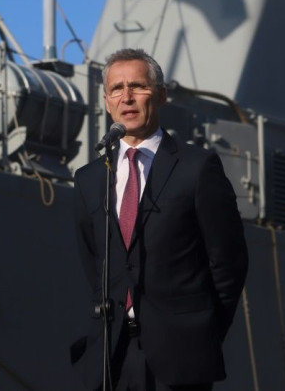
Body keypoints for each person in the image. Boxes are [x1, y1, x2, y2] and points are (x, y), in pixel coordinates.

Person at [71, 49, 248, 391]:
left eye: (137, 86)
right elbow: (95, 263)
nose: (127, 97)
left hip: (181, 359)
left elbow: (229, 263)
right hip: (112, 356)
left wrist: (201, 332)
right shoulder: (89, 178)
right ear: (107, 102)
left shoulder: (197, 168)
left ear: (161, 94)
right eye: (117, 89)